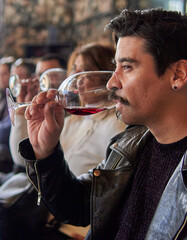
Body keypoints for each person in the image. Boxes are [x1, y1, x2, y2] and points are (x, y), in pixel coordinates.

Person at [18, 8, 187, 240]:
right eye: (115, 67)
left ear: (178, 75)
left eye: (127, 67)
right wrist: (45, 152)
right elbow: (78, 207)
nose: (110, 83)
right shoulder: (131, 143)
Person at [0, 57, 14, 175]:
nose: (1, 78)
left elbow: (5, 131)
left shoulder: (14, 97)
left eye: (4, 74)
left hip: (8, 149)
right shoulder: (3, 97)